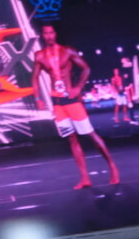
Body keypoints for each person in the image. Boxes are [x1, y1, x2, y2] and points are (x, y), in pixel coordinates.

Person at [32, 24, 119, 189]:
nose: (49, 36)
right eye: (46, 33)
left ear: (55, 34)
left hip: (71, 100)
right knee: (72, 139)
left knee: (91, 134)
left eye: (51, 33)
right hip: (57, 102)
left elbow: (86, 68)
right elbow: (34, 78)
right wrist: (37, 98)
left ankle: (113, 167)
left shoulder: (67, 51)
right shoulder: (40, 56)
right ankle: (85, 178)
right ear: (43, 35)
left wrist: (78, 87)